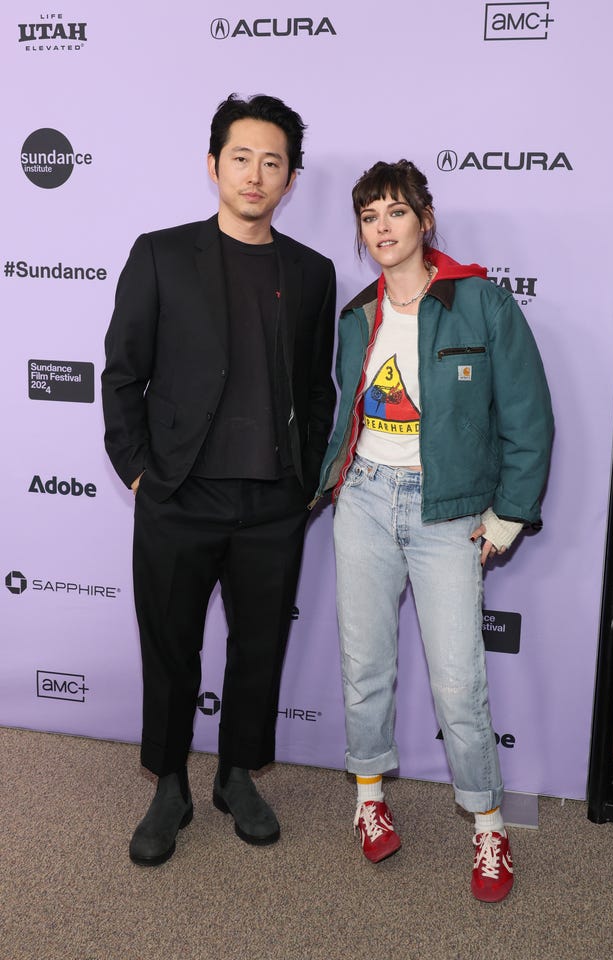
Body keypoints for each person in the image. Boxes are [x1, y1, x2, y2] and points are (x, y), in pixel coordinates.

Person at [101, 94, 336, 866]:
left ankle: (238, 775)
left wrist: (307, 482)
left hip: (274, 500)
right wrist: (137, 470)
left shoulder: (312, 271)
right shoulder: (161, 254)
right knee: (170, 646)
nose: (256, 175)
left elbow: (317, 386)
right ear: (213, 166)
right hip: (179, 494)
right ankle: (169, 782)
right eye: (242, 158)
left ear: (291, 178)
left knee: (259, 646)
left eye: (273, 162)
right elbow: (123, 372)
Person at [315, 160, 553, 902]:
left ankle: (488, 829)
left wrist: (508, 515)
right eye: (369, 217)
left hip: (447, 512)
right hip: (362, 501)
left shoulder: (481, 303)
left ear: (425, 218)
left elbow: (527, 415)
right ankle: (369, 799)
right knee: (365, 667)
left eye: (395, 211)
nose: (382, 228)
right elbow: (341, 411)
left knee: (458, 684)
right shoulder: (359, 313)